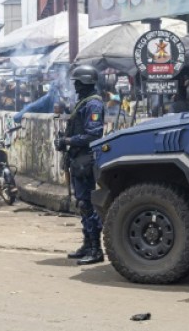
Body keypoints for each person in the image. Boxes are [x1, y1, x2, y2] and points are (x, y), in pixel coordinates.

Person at [55, 66, 105, 265]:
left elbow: (94, 134)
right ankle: (87, 243)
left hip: (87, 159)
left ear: (85, 82)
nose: (75, 86)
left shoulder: (93, 104)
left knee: (88, 204)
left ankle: (95, 248)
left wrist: (68, 141)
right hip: (78, 159)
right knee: (82, 204)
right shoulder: (83, 103)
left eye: (77, 82)